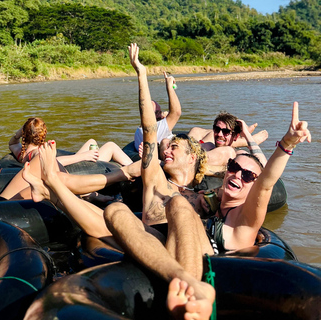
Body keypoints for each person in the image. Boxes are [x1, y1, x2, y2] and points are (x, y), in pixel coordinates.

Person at [104, 43, 311, 320]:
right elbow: (150, 131)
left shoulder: (246, 216)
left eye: (247, 175)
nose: (238, 174)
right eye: (235, 168)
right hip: (175, 258)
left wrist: (287, 144)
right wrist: (141, 74)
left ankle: (192, 294)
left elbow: (268, 183)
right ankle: (182, 282)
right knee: (114, 211)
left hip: (217, 271)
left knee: (177, 204)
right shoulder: (211, 201)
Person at [9, 117, 133, 166]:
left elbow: (12, 143)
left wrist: (19, 133)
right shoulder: (38, 152)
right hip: (73, 172)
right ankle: (134, 168)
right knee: (110, 145)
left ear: (24, 133)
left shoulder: (21, 153)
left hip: (72, 165)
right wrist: (84, 156)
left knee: (91, 141)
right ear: (43, 134)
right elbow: (53, 162)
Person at [189, 112, 269, 168]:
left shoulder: (236, 154)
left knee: (227, 150)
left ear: (235, 137)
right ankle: (243, 140)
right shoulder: (209, 145)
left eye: (226, 132)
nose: (220, 134)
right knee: (195, 130)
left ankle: (246, 140)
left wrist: (247, 135)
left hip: (189, 162)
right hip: (189, 159)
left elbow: (263, 167)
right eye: (217, 129)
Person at [133, 71, 182, 152]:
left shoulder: (139, 131)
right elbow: (176, 112)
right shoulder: (156, 128)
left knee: (196, 131)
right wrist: (169, 87)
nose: (147, 106)